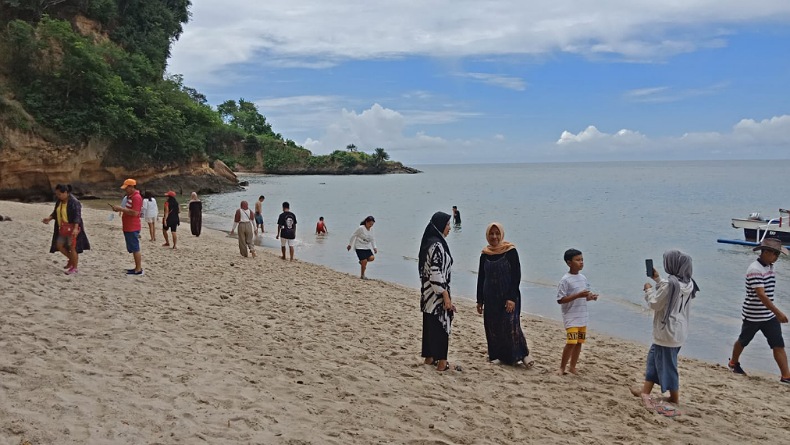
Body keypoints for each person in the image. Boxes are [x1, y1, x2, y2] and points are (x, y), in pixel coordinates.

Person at [633, 250, 699, 417]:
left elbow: (655, 303)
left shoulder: (670, 284)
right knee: (653, 359)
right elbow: (670, 288)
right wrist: (657, 279)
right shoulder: (688, 283)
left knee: (668, 366)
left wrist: (648, 290)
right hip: (678, 330)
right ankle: (645, 391)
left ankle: (674, 398)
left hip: (667, 331)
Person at [728, 238, 790, 383]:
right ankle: (733, 363)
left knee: (778, 343)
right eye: (775, 254)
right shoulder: (755, 270)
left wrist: (773, 313)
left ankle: (786, 376)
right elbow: (761, 295)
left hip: (768, 315)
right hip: (753, 315)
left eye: (778, 254)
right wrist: (778, 313)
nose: (777, 257)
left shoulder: (770, 267)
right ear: (766, 252)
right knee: (743, 340)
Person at [475, 222, 532, 368]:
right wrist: (479, 300)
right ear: (487, 235)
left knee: (511, 325)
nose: (494, 237)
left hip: (508, 295)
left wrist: (511, 298)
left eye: (497, 233)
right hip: (490, 297)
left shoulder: (510, 251)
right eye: (491, 234)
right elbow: (481, 277)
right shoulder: (485, 254)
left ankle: (523, 354)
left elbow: (516, 275)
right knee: (492, 327)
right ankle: (496, 356)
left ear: (501, 234)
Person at [419, 211, 456, 372]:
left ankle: (430, 358)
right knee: (441, 326)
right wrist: (445, 296)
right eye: (447, 225)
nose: (449, 228)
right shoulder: (437, 246)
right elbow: (436, 272)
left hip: (428, 294)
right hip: (436, 294)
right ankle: (442, 362)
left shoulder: (429, 243)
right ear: (440, 226)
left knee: (430, 325)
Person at [556, 248, 598, 375]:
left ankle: (572, 367)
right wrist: (578, 295)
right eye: (578, 260)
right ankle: (562, 367)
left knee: (579, 342)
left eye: (582, 260)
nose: (581, 262)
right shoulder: (565, 280)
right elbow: (560, 299)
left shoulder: (583, 278)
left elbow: (585, 296)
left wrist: (591, 297)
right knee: (571, 342)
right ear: (569, 263)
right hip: (571, 316)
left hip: (582, 316)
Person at [41, 184, 90, 275]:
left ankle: (74, 268)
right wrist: (49, 218)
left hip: (72, 228)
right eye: (57, 194)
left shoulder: (74, 202)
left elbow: (77, 216)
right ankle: (71, 260)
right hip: (63, 228)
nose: (58, 196)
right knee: (59, 245)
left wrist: (75, 228)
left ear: (66, 193)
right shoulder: (59, 201)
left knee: (72, 248)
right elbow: (55, 212)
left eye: (59, 194)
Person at [111, 179, 143, 275]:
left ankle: (138, 269)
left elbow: (135, 212)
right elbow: (130, 210)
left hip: (133, 226)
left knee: (135, 248)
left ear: (131, 187)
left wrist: (121, 209)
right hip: (129, 226)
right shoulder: (131, 197)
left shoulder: (136, 197)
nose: (125, 190)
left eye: (126, 188)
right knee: (133, 247)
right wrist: (120, 209)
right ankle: (137, 267)